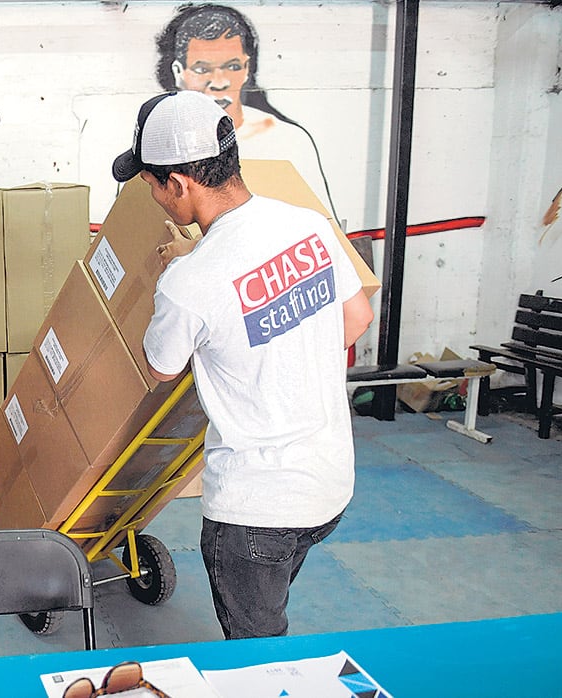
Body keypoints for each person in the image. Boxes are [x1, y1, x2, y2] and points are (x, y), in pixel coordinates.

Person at [111, 90, 374, 639]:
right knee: (269, 603)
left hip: (256, 509)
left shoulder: (190, 281)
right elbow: (357, 317)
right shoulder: (308, 225)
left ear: (178, 184)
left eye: (152, 184)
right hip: (329, 484)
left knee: (257, 656)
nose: (155, 198)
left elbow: (161, 368)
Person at [154, 3, 339, 222]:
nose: (220, 82)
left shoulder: (290, 140)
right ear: (178, 71)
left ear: (247, 69)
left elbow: (324, 229)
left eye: (232, 67)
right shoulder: (154, 144)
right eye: (202, 69)